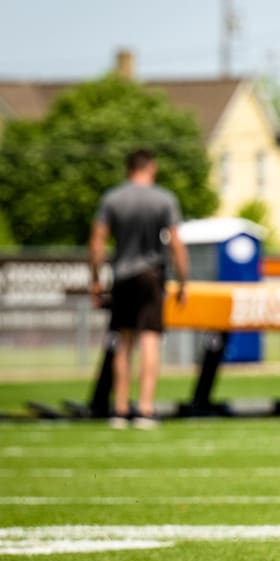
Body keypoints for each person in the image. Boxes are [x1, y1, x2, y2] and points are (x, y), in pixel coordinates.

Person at [88, 148, 189, 429]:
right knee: (150, 339)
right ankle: (144, 409)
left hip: (121, 276)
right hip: (151, 275)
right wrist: (183, 281)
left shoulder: (113, 198)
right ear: (151, 167)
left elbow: (97, 242)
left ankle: (120, 410)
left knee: (123, 341)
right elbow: (176, 244)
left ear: (127, 168)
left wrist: (96, 279)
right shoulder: (164, 199)